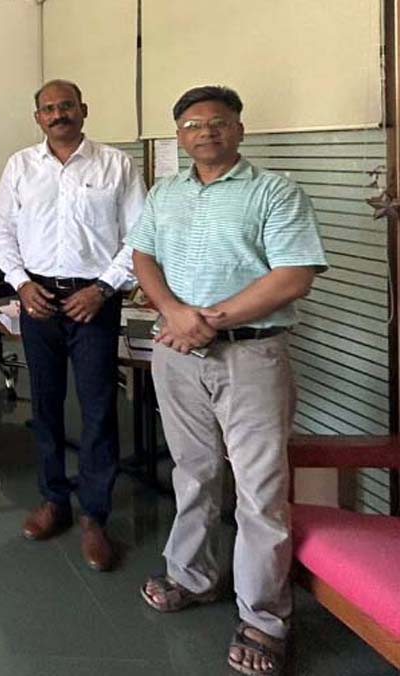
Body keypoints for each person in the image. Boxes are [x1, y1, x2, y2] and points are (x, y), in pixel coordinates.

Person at [128, 85, 327, 676]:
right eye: (191, 125)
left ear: (239, 128)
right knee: (193, 472)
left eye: (217, 122)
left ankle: (265, 617)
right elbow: (143, 256)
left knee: (260, 490)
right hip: (177, 353)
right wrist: (172, 312)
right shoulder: (166, 192)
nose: (205, 133)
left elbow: (294, 275)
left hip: (251, 355)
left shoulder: (275, 192)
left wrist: (206, 321)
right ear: (180, 136)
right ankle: (193, 575)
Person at [0, 80, 145, 571]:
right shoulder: (20, 166)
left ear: (84, 110)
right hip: (38, 299)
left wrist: (103, 288)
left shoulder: (116, 165)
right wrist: (19, 284)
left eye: (66, 107)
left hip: (95, 300)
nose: (58, 115)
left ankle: (95, 515)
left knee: (99, 407)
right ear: (37, 117)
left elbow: (141, 234)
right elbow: (4, 231)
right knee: (46, 403)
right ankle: (54, 499)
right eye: (49, 109)